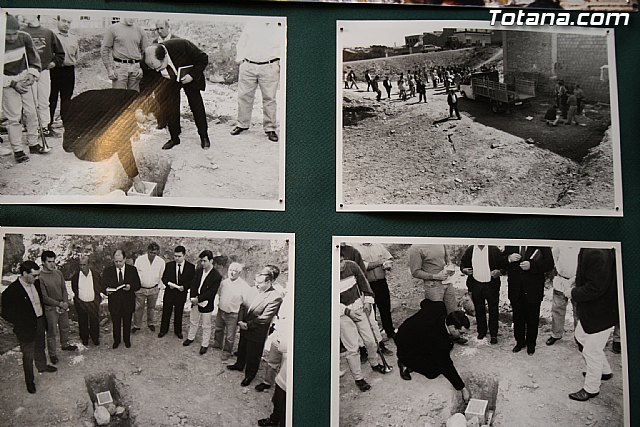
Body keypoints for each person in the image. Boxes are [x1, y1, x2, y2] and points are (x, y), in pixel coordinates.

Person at [61, 88, 146, 194]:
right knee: (106, 151)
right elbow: (124, 149)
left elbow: (129, 112)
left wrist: (133, 129)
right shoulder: (115, 111)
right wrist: (136, 180)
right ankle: (73, 145)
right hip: (79, 128)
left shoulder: (127, 97)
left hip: (78, 112)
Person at [394, 299, 471, 404]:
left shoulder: (439, 308)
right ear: (453, 328)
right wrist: (462, 388)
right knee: (433, 371)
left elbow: (424, 302)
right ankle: (404, 363)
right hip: (405, 344)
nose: (462, 336)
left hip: (414, 335)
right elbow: (447, 365)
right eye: (461, 333)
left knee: (432, 352)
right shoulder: (440, 341)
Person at [142, 40, 211, 150]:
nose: (156, 70)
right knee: (170, 108)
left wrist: (192, 76)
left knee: (196, 105)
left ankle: (204, 136)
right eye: (153, 68)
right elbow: (147, 80)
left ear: (164, 57)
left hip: (188, 78)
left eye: (158, 67)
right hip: (169, 81)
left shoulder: (182, 45)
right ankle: (174, 138)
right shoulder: (148, 61)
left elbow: (203, 58)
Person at [569, 248, 618, 401]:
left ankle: (591, 389)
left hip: (602, 312)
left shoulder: (597, 252)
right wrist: (577, 281)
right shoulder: (591, 246)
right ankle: (604, 370)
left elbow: (596, 287)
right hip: (594, 310)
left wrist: (573, 293)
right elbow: (591, 276)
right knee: (580, 335)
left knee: (591, 351)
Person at [1, 261, 58, 394]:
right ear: (25, 273)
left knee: (40, 346)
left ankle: (42, 366)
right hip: (25, 328)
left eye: (38, 275)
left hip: (39, 321)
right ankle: (30, 381)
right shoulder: (11, 292)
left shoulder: (36, 283)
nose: (37, 278)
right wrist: (21, 322)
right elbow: (5, 313)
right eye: (34, 275)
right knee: (28, 355)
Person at [338, 254, 392, 393]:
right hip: (342, 314)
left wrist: (368, 301)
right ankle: (358, 378)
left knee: (371, 341)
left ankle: (374, 363)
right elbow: (329, 300)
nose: (341, 265)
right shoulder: (327, 273)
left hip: (359, 307)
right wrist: (347, 311)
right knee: (353, 348)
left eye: (342, 260)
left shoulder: (352, 266)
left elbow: (364, 284)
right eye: (337, 262)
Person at [227, 265, 284, 387]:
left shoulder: (275, 297)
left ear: (268, 282)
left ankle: (249, 375)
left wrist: (247, 325)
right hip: (244, 326)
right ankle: (239, 364)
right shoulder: (253, 289)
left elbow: (264, 318)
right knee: (242, 346)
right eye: (255, 282)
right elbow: (243, 305)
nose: (256, 285)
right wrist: (240, 320)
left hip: (256, 331)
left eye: (259, 283)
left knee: (253, 354)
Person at [230, 21, 283, 143]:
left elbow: (284, 46)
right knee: (244, 96)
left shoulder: (280, 26)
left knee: (269, 98)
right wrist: (241, 60)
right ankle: (242, 124)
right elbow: (241, 43)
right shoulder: (251, 23)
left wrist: (279, 63)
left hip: (270, 66)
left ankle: (270, 128)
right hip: (248, 65)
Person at [3, 14, 44, 163]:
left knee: (32, 112)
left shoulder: (24, 37)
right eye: (8, 34)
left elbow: (34, 59)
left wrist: (32, 74)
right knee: (14, 118)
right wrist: (13, 83)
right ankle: (18, 150)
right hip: (7, 82)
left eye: (15, 33)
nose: (12, 38)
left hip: (24, 78)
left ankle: (33, 143)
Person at [503, 245, 554, 355]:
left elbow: (549, 263)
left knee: (533, 318)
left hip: (533, 289)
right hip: (515, 289)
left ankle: (531, 345)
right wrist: (509, 258)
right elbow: (500, 260)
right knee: (517, 317)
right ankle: (520, 342)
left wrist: (532, 265)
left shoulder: (540, 240)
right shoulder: (512, 240)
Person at [22, 15, 65, 138]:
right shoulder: (21, 32)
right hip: (28, 72)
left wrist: (54, 62)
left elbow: (60, 53)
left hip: (44, 71)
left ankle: (45, 127)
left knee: (44, 101)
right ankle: (32, 129)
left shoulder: (48, 32)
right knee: (31, 103)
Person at [460, 245, 506, 344]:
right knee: (479, 308)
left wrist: (500, 272)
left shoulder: (493, 249)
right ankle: (482, 332)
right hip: (476, 284)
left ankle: (494, 334)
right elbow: (463, 264)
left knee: (493, 309)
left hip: (491, 285)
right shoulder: (471, 249)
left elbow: (503, 265)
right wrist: (464, 270)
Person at [39, 250, 77, 364]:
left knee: (65, 326)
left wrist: (64, 302)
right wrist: (59, 304)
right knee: (52, 332)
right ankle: (52, 354)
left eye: (53, 261)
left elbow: (64, 289)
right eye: (49, 261)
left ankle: (65, 344)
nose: (52, 264)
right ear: (43, 262)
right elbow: (44, 297)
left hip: (62, 305)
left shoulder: (58, 273)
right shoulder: (40, 277)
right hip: (50, 309)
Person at [212, 262, 255, 361]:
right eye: (230, 270)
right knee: (218, 328)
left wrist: (241, 318)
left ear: (239, 273)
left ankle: (227, 351)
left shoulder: (244, 286)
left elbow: (245, 303)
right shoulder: (224, 282)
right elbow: (220, 294)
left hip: (233, 314)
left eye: (235, 271)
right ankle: (217, 343)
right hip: (221, 310)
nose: (232, 273)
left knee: (230, 335)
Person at [183, 250, 223, 354]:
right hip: (195, 301)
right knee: (193, 321)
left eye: (205, 261)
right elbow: (193, 284)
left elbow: (212, 292)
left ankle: (204, 344)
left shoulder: (216, 276)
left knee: (206, 325)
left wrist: (199, 299)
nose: (202, 263)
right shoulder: (199, 271)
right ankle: (190, 338)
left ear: (211, 261)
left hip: (206, 303)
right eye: (201, 261)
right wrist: (192, 297)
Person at [355, 242, 396, 340]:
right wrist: (380, 262)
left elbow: (389, 258)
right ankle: (375, 337)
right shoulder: (355, 247)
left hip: (381, 282)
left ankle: (390, 331)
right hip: (367, 285)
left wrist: (388, 263)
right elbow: (363, 266)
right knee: (370, 311)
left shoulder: (378, 245)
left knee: (385, 308)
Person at [102, 249, 141, 349]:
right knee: (116, 323)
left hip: (128, 302)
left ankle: (127, 340)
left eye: (120, 261)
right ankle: (117, 340)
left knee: (127, 322)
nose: (118, 264)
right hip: (114, 303)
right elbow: (102, 285)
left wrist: (130, 287)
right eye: (116, 261)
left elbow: (138, 285)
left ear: (125, 259)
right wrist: (106, 290)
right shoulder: (108, 271)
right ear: (113, 260)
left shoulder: (132, 270)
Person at [255, 288, 291, 392]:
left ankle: (284, 387)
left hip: (289, 335)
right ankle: (267, 382)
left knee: (286, 363)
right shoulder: (286, 296)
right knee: (272, 360)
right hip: (279, 331)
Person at [101, 17, 149, 92]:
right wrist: (109, 69)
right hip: (120, 68)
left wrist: (142, 68)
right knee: (118, 97)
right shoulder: (112, 29)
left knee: (134, 97)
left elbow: (146, 51)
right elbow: (105, 49)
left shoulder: (140, 30)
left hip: (135, 68)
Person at [49, 15, 78, 131]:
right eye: (64, 21)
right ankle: (48, 123)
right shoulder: (51, 36)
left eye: (69, 22)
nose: (66, 24)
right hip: (54, 70)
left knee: (67, 97)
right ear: (58, 21)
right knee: (52, 97)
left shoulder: (74, 38)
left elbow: (76, 55)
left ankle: (66, 123)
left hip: (69, 70)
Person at [159, 245, 196, 339]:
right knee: (166, 312)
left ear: (184, 255)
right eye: (175, 256)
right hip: (169, 293)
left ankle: (178, 331)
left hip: (181, 293)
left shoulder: (190, 267)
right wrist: (168, 284)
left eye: (179, 256)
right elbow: (164, 278)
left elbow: (192, 280)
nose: (177, 258)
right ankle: (163, 330)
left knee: (179, 313)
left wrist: (185, 287)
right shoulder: (169, 265)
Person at [546, 246, 580, 346]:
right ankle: (556, 334)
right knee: (557, 309)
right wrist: (559, 269)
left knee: (578, 311)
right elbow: (554, 255)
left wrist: (575, 277)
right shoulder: (560, 243)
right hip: (561, 280)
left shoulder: (581, 245)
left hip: (577, 281)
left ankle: (579, 338)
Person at [70, 255, 105, 347]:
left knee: (94, 321)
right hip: (81, 302)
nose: (82, 267)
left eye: (84, 265)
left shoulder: (95, 275)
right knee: (82, 321)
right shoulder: (76, 276)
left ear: (89, 264)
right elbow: (75, 289)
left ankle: (95, 338)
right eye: (80, 265)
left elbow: (100, 286)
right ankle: (84, 338)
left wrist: (98, 299)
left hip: (93, 302)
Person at [132, 242, 165, 333]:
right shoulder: (140, 260)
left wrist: (159, 287)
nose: (152, 255)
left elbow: (162, 275)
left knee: (152, 307)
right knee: (138, 307)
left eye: (154, 253)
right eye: (151, 252)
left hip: (154, 288)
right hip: (141, 288)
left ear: (157, 252)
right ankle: (136, 325)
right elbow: (135, 273)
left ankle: (151, 323)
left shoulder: (161, 262)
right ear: (148, 251)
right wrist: (136, 287)